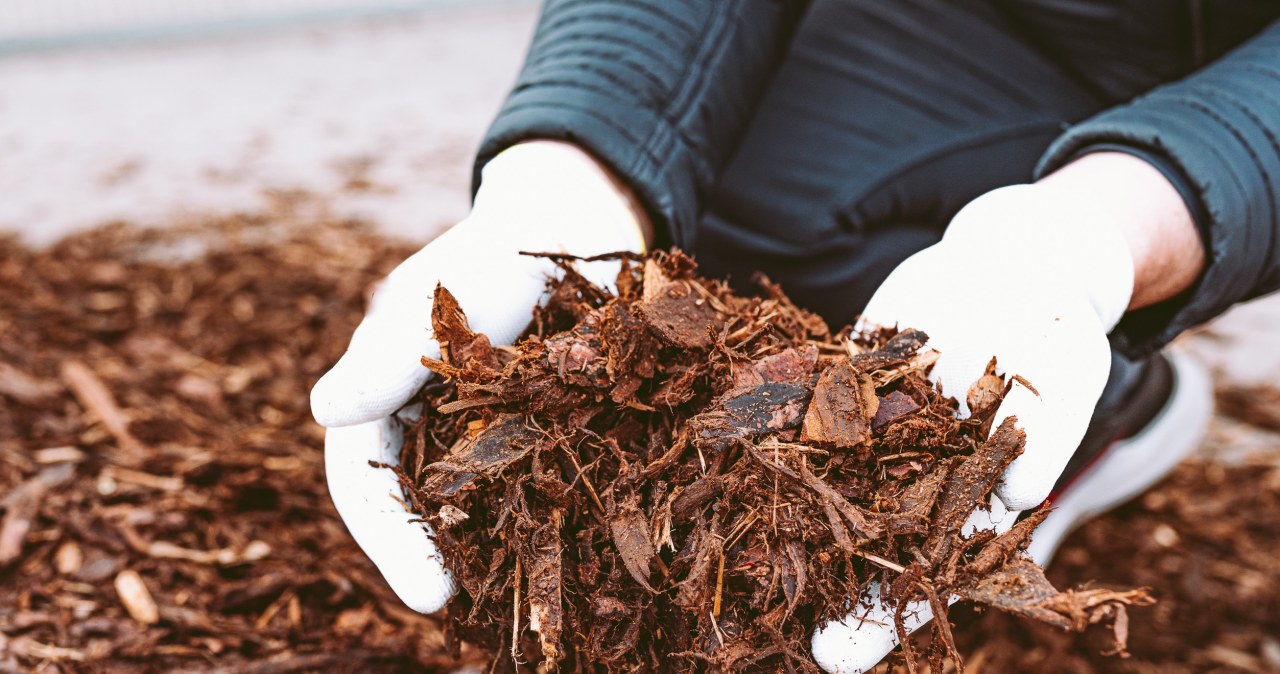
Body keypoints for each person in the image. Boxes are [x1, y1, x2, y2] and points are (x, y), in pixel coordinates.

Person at [311, 1, 1279, 671]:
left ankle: (1085, 407)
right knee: (719, 200)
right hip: (1013, 26)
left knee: (978, 317)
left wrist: (1092, 238)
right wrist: (568, 173)